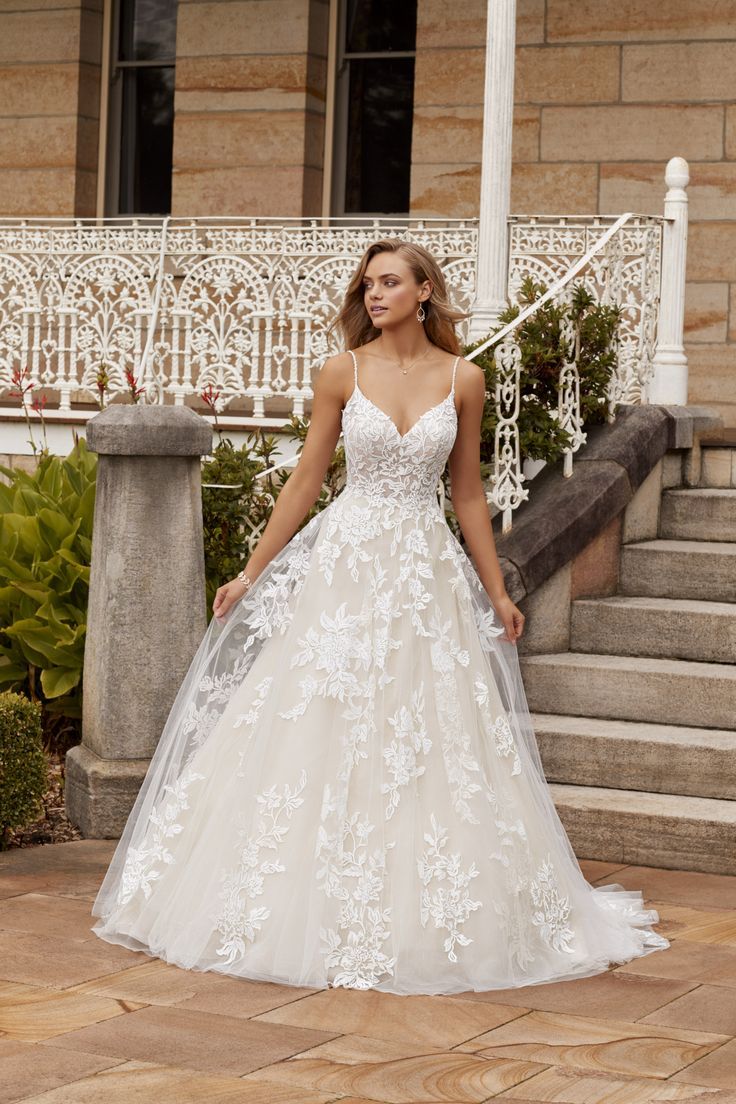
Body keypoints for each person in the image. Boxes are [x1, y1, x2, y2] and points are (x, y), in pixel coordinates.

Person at [90, 237, 669, 995]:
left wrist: (496, 591)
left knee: (426, 734)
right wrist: (251, 570)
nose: (375, 295)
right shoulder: (343, 371)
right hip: (346, 565)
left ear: (424, 290)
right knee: (320, 718)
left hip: (423, 573)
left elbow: (466, 494)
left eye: (390, 282)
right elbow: (306, 481)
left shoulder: (465, 379)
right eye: (368, 284)